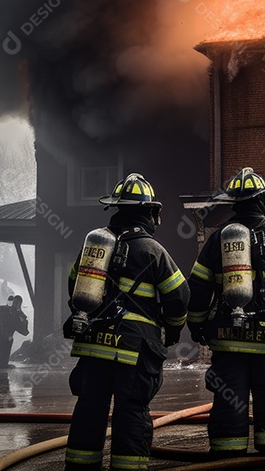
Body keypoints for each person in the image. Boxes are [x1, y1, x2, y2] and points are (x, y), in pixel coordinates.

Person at [63, 173, 189, 471]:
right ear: (149, 212)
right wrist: (172, 329)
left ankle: (80, 467)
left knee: (89, 409)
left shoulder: (94, 245)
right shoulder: (153, 251)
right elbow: (179, 297)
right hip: (134, 349)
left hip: (93, 345)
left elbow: (74, 285)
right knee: (131, 411)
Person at [187, 167, 265, 457]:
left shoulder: (218, 240)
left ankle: (226, 455)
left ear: (235, 203)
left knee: (229, 396)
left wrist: (196, 326)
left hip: (227, 337)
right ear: (264, 201)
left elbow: (198, 289)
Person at [0, 294, 29, 369]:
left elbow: (25, 331)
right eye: (15, 303)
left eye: (17, 304)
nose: (15, 305)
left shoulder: (19, 315)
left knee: (3, 357)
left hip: (8, 337)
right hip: (1, 336)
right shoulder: (2, 310)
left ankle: (1, 364)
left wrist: (21, 316)